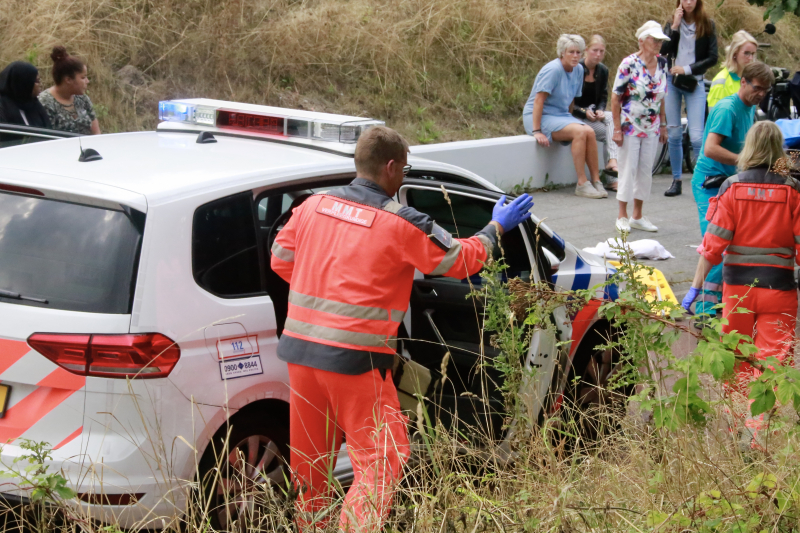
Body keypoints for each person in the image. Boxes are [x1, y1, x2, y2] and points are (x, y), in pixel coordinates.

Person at [270, 126, 533, 532]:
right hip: (355, 361)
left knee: (311, 466)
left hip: (300, 356)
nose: (404, 176)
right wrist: (496, 228)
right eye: (405, 169)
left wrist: (324, 282)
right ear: (391, 167)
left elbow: (281, 259)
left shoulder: (312, 206)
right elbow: (460, 261)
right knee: (384, 457)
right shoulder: (400, 222)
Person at [682, 121, 799, 447]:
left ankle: (738, 431)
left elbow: (712, 246)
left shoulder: (730, 188)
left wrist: (694, 290)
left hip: (737, 294)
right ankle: (757, 433)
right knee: (773, 364)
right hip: (780, 291)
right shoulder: (792, 190)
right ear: (779, 151)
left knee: (736, 362)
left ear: (748, 147)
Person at [689, 61, 774, 316]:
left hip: (730, 184)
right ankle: (705, 310)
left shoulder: (750, 108)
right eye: (757, 88)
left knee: (734, 243)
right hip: (710, 183)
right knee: (717, 246)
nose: (761, 95)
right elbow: (711, 149)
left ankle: (721, 303)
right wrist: (746, 162)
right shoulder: (728, 108)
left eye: (766, 90)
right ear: (744, 82)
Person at [523, 34, 607, 199]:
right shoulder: (553, 70)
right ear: (562, 53)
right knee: (580, 131)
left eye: (578, 52)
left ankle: (596, 181)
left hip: (561, 115)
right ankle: (582, 183)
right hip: (541, 115)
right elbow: (538, 101)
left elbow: (572, 99)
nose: (575, 56)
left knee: (589, 131)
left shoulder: (579, 70)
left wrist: (569, 120)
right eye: (571, 52)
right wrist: (537, 130)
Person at [611, 21, 669, 233]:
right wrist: (617, 128)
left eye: (660, 40)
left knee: (646, 171)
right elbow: (615, 97)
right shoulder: (628, 63)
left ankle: (638, 215)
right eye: (654, 40)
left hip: (652, 127)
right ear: (642, 41)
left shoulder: (663, 63)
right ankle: (622, 215)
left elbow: (662, 97)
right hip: (630, 126)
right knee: (628, 169)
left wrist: (663, 124)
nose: (658, 44)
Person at [660, 0, 719, 197]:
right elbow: (664, 51)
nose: (688, 2)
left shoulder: (707, 24)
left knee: (697, 136)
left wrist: (687, 69)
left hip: (695, 81)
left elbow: (713, 57)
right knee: (674, 133)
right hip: (672, 81)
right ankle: (676, 180)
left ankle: (701, 178)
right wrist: (675, 27)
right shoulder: (672, 22)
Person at [572, 35, 620, 190]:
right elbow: (569, 102)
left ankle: (612, 164)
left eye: (601, 51)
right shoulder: (576, 68)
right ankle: (612, 177)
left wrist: (600, 109)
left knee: (612, 120)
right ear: (586, 51)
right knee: (609, 133)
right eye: (595, 50)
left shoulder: (603, 70)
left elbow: (603, 95)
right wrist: (584, 112)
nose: (598, 54)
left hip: (593, 112)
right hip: (577, 115)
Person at [38, 46, 100, 135]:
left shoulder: (83, 99)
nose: (87, 81)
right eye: (83, 77)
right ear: (68, 80)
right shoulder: (45, 102)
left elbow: (96, 132)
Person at [707, 30, 758, 108]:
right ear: (735, 53)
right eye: (746, 53)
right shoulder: (722, 82)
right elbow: (716, 116)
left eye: (753, 54)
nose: (751, 58)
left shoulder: (750, 79)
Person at [0, 61, 50, 128]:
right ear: (25, 83)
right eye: (36, 81)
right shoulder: (3, 108)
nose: (40, 84)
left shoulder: (35, 105)